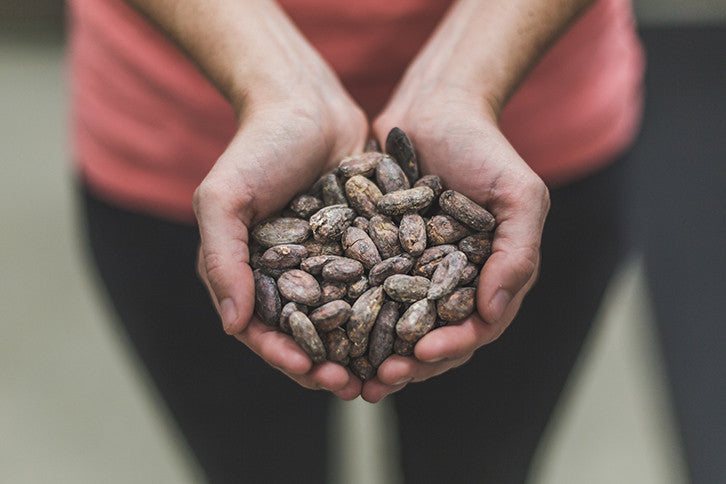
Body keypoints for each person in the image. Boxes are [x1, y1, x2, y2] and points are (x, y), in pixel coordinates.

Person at [68, 0, 644, 481]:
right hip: (182, 130)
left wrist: (465, 78)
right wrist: (275, 81)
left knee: (481, 464)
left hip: (527, 116)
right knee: (253, 466)